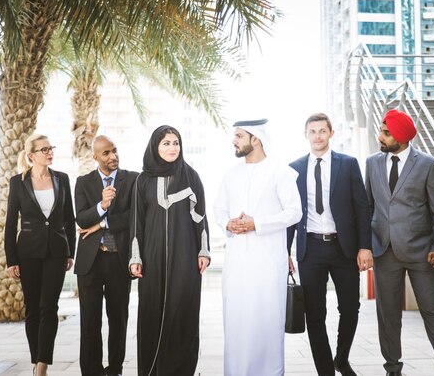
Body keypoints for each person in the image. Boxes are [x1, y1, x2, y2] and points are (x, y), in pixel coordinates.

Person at [365, 109, 434, 376]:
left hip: (421, 252)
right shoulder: (372, 163)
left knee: (433, 311)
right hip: (384, 250)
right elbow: (368, 206)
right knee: (388, 315)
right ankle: (393, 370)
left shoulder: (428, 164)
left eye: (386, 133)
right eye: (382, 130)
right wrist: (365, 245)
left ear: (400, 136)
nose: (381, 136)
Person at [213, 118, 302, 376]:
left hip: (267, 264)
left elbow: (294, 212)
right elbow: (219, 210)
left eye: (239, 136)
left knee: (266, 322)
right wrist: (228, 224)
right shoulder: (231, 175)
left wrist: (257, 224)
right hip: (237, 263)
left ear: (256, 139)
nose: (234, 141)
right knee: (237, 322)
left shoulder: (280, 172)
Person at [287, 113, 372, 376]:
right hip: (309, 250)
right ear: (306, 135)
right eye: (312, 131)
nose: (318, 136)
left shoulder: (348, 165)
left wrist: (365, 247)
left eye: (322, 131)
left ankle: (341, 358)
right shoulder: (294, 169)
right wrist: (284, 251)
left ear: (331, 133)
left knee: (349, 308)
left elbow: (362, 207)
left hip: (343, 248)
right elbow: (290, 214)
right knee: (314, 314)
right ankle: (325, 370)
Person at [128, 125, 211, 376]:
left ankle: (182, 370)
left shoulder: (191, 176)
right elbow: (136, 222)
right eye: (166, 143)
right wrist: (135, 257)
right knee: (151, 312)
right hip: (152, 259)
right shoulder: (142, 180)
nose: (172, 148)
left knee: (183, 313)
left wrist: (203, 251)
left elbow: (201, 218)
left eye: (176, 143)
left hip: (185, 258)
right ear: (155, 146)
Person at [4, 134, 76, 376]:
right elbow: (10, 221)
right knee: (33, 309)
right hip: (28, 253)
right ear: (31, 155)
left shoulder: (62, 179)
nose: (49, 152)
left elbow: (69, 217)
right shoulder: (18, 182)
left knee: (49, 307)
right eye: (44, 149)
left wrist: (70, 251)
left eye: (51, 148)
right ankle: (37, 360)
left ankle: (42, 366)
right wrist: (11, 259)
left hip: (56, 252)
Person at [73, 136, 138, 376]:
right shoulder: (83, 182)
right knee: (90, 322)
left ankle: (115, 370)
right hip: (90, 261)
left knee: (118, 320)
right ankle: (91, 371)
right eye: (106, 153)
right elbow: (81, 218)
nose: (113, 156)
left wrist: (103, 223)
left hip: (117, 258)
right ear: (96, 157)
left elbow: (135, 216)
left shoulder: (132, 179)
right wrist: (101, 205)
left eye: (115, 151)